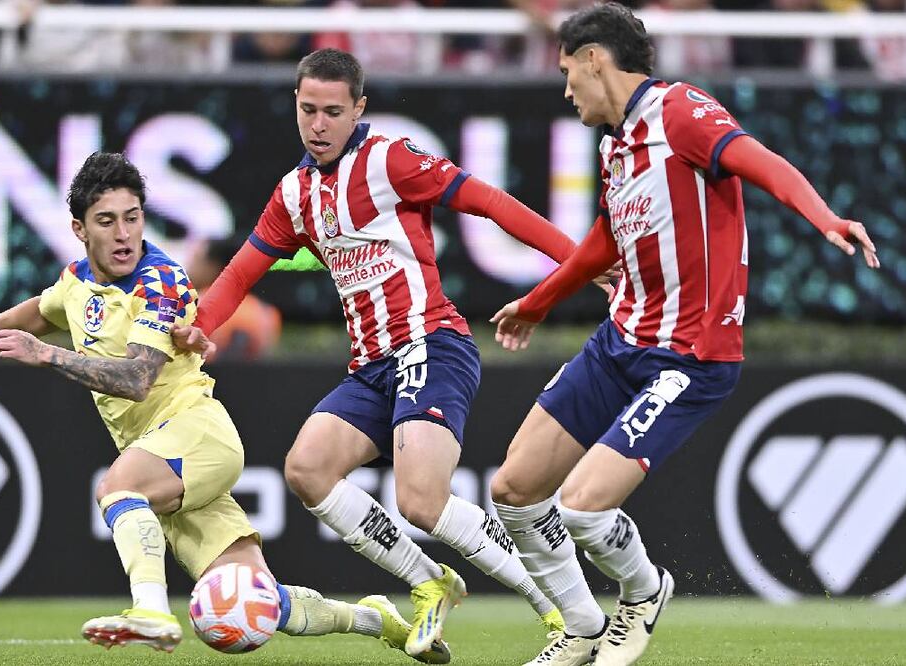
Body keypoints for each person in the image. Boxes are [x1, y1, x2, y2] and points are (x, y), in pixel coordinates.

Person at [0, 151, 449, 663]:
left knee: (117, 488)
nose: (124, 233)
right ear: (80, 230)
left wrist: (46, 355)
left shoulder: (163, 281)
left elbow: (137, 379)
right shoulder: (77, 279)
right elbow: (44, 308)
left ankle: (150, 610)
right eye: (107, 221)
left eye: (132, 217)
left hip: (195, 433)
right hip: (158, 451)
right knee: (259, 601)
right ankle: (376, 620)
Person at [173, 47, 600, 658]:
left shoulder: (390, 161)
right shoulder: (294, 193)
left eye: (332, 112)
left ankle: (560, 613)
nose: (318, 125)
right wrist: (200, 325)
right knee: (308, 470)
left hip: (431, 342)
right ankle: (428, 582)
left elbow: (491, 202)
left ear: (359, 111)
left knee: (420, 501)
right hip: (372, 364)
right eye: (307, 110)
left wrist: (578, 263)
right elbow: (240, 273)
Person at [486, 4, 880, 665]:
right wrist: (538, 301)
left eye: (565, 72)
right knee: (511, 491)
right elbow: (603, 243)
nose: (564, 90)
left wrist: (824, 216)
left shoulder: (681, 112)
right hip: (620, 341)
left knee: (582, 510)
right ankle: (580, 628)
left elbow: (764, 164)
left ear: (592, 59)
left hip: (691, 354)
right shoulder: (615, 144)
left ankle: (641, 593)